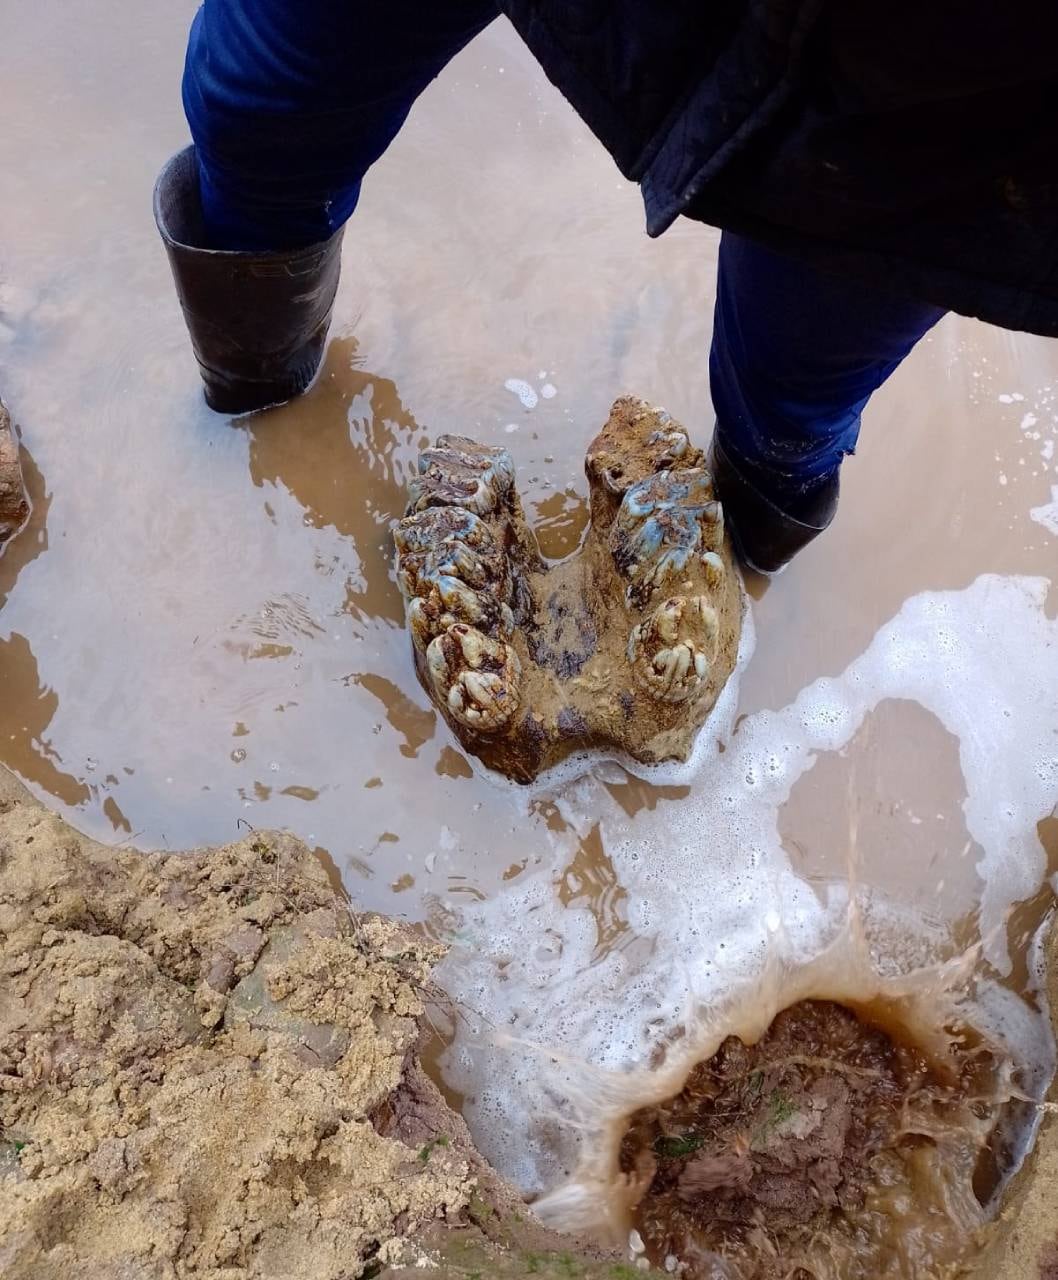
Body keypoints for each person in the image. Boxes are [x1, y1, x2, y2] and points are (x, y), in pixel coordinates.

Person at [154, 1, 1058, 573]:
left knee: (792, 400)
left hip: (941, 64)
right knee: (257, 100)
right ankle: (253, 397)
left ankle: (735, 580)